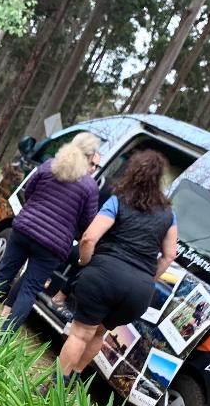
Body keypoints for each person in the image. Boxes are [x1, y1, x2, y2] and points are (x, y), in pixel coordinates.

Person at [57, 149, 178, 383]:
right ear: (158, 179)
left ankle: (55, 386)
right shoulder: (168, 215)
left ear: (133, 172)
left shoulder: (119, 201)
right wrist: (147, 277)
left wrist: (85, 262)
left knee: (81, 334)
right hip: (139, 291)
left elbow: (89, 238)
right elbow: (169, 254)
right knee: (99, 333)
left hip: (104, 275)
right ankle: (73, 383)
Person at [0, 132, 101, 330]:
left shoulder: (50, 165)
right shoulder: (90, 186)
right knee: (29, 289)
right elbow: (88, 222)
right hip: (52, 246)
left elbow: (29, 190)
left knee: (3, 274)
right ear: (91, 156)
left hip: (24, 230)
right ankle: (1, 339)